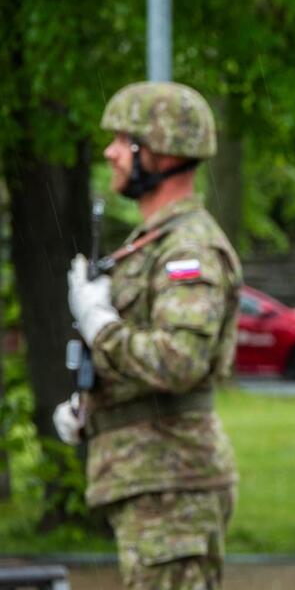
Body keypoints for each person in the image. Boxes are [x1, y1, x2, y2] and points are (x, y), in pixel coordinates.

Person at [53, 82, 241, 589]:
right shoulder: (154, 243)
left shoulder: (187, 250)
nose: (110, 153)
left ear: (161, 152)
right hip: (153, 478)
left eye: (123, 140)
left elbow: (179, 361)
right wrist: (92, 406)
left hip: (173, 482)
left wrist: (101, 327)